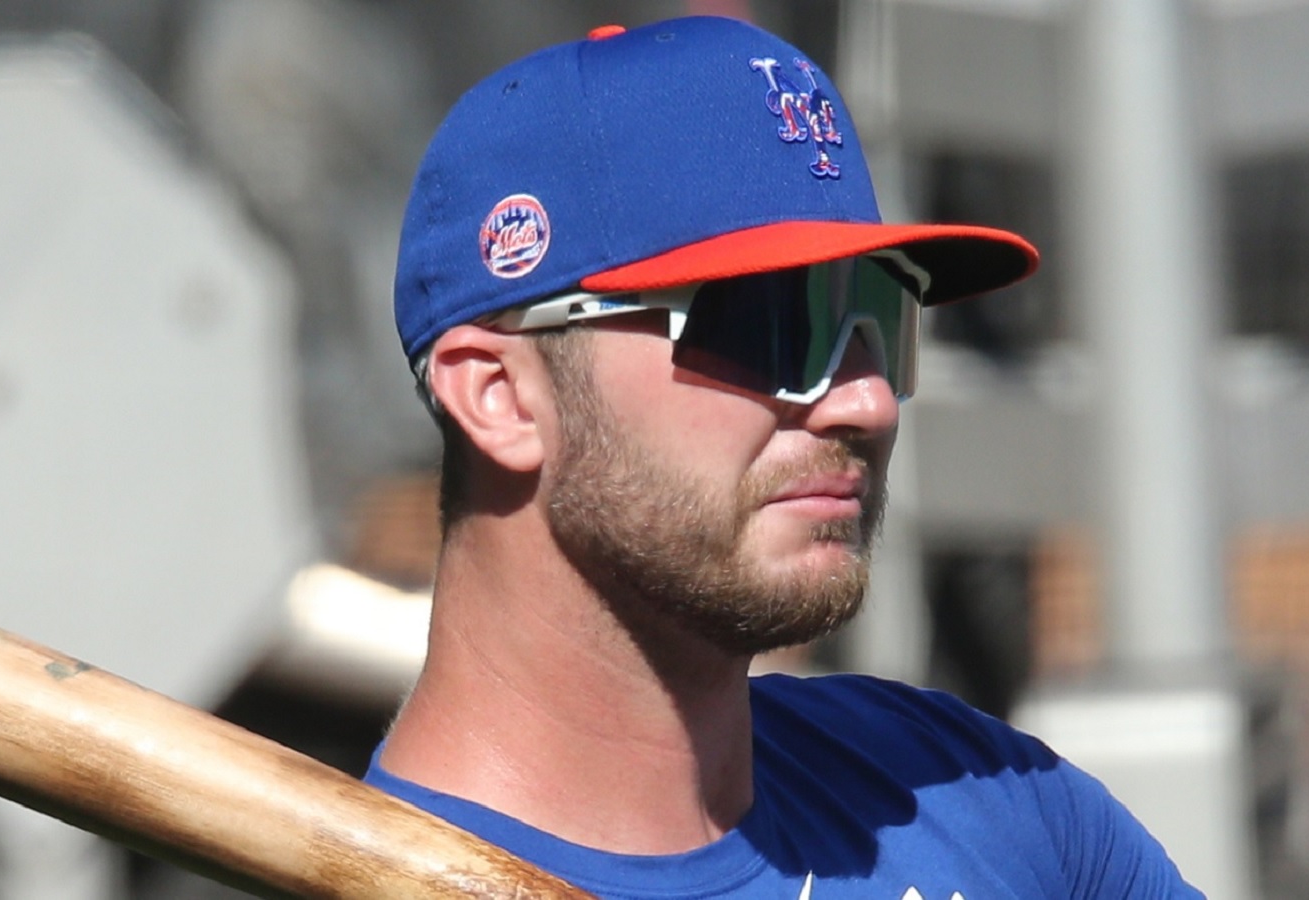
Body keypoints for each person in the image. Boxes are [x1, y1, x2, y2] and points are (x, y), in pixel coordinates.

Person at [367, 15, 1203, 899]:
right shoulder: (341, 880)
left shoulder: (985, 800)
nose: (868, 401)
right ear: (498, 396)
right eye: (767, 324)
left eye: (881, 316)